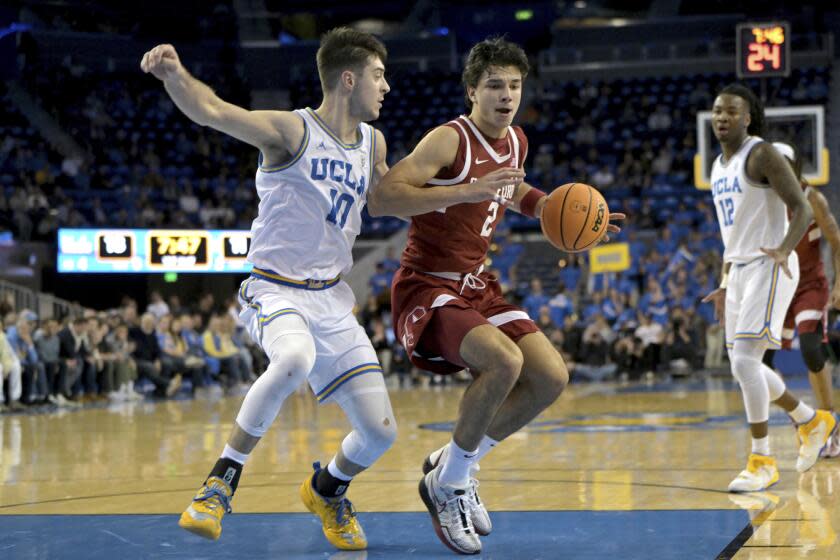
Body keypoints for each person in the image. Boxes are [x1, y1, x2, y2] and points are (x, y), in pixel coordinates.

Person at [142, 27, 396, 550]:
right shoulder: (291, 131)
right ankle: (219, 483)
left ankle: (327, 489)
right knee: (294, 359)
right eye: (378, 76)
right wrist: (175, 75)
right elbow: (212, 109)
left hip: (331, 297)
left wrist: (472, 191)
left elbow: (392, 196)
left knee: (381, 432)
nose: (386, 86)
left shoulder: (373, 143)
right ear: (348, 80)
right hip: (275, 289)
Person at [368, 37, 622, 554]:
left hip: (478, 285)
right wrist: (466, 189)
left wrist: (562, 211)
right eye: (494, 86)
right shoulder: (449, 140)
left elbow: (515, 192)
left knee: (551, 377)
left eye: (514, 85)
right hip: (428, 284)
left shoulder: (517, 141)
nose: (506, 95)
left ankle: (455, 464)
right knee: (503, 363)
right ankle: (450, 486)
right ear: (472, 91)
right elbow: (383, 198)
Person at [701, 84, 836, 493]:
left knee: (745, 363)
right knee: (745, 368)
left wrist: (783, 248)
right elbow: (732, 234)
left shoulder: (761, 153)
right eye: (718, 111)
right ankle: (811, 421)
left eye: (731, 111)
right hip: (739, 269)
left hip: (770, 263)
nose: (722, 117)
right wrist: (725, 282)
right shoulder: (718, 167)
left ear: (748, 117)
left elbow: (800, 205)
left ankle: (763, 459)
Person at [761, 142, 840, 458]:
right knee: (761, 363)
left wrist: (838, 285)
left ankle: (831, 423)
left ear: (795, 167)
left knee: (810, 348)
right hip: (777, 289)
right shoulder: (764, 201)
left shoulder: (813, 199)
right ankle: (804, 419)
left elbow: (837, 243)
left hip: (810, 286)